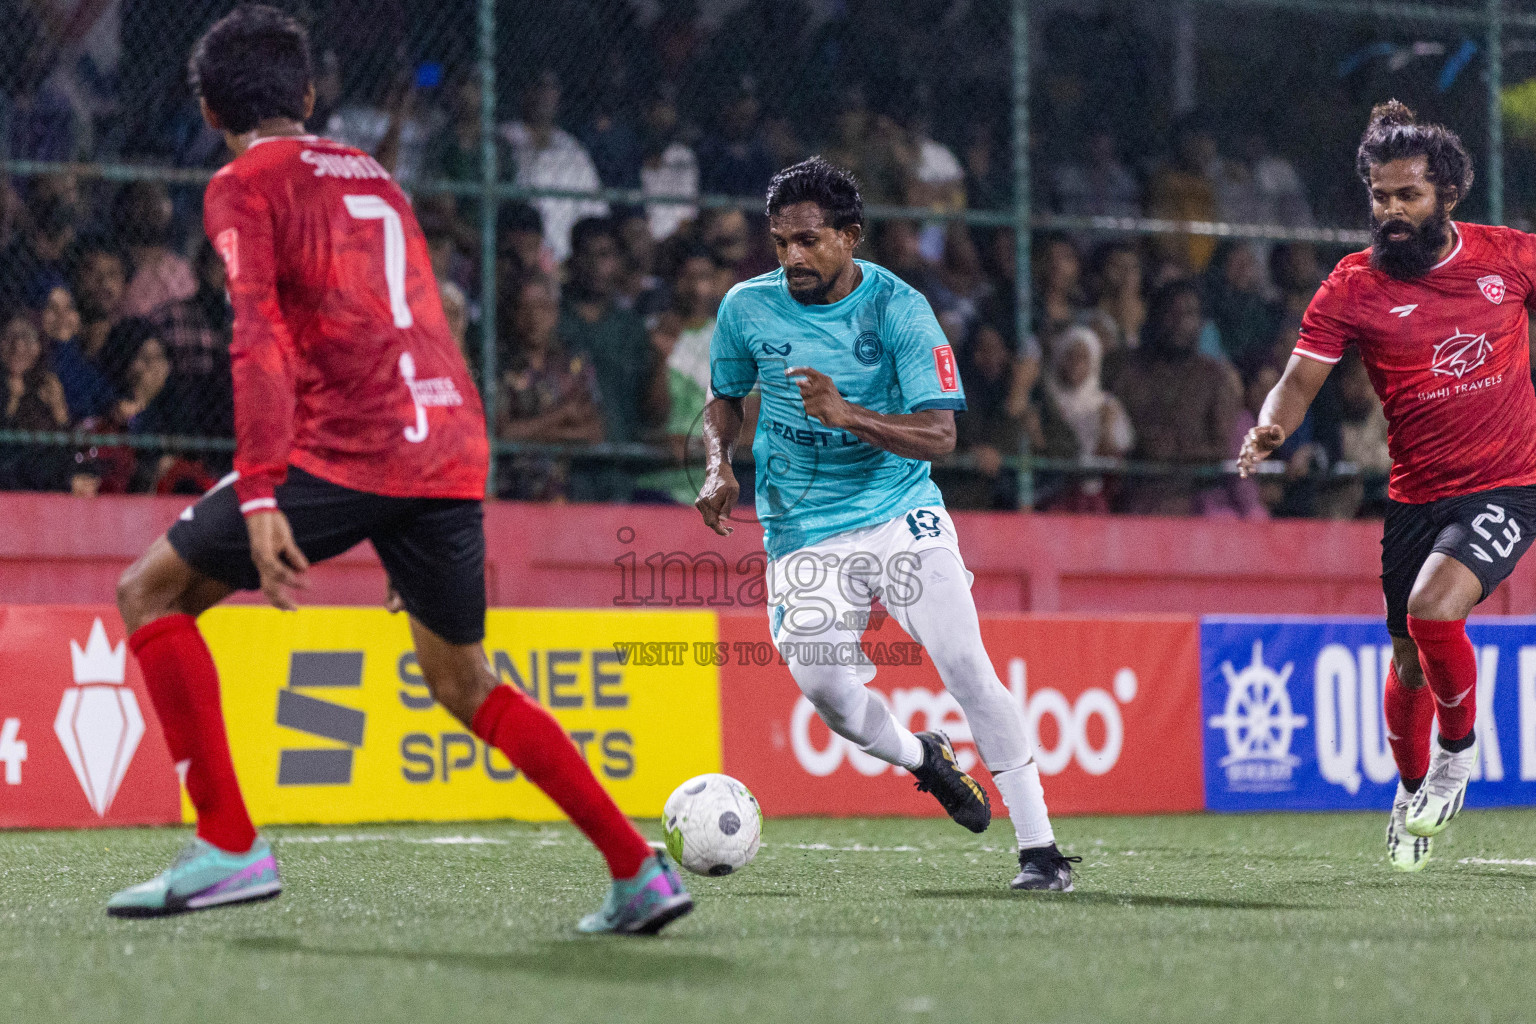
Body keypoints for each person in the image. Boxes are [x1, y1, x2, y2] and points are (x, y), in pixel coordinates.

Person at [107, 6, 691, 935]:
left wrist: (260, 486)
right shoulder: (376, 176)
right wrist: (407, 506)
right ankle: (637, 869)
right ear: (307, 94)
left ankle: (225, 845)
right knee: (465, 680)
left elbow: (255, 337)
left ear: (212, 109)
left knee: (151, 593)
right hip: (448, 441)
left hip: (351, 446)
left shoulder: (242, 183)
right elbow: (427, 317)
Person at [695, 157, 1077, 892]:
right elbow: (725, 392)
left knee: (965, 663)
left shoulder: (901, 310)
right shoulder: (746, 307)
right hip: (802, 529)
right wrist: (719, 463)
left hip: (901, 512)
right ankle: (923, 759)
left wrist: (849, 415)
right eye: (780, 243)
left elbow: (940, 437)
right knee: (829, 694)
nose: (792, 258)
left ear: (851, 238)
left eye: (808, 241)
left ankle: (1041, 849)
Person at [1239, 101, 1536, 873]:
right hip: (1414, 494)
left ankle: (1457, 760)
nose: (1391, 211)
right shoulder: (1353, 285)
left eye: (1407, 196)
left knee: (1433, 611)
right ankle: (1408, 793)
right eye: (1379, 195)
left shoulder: (1508, 259)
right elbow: (1299, 381)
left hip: (1509, 483)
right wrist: (1272, 425)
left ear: (1448, 194)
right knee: (1407, 659)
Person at [1112, 280, 1241, 515]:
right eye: (1172, 313)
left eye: (1189, 314)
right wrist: (1141, 446)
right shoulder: (1131, 371)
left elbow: (1222, 447)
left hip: (1192, 497)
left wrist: (1177, 451)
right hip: (1136, 493)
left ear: (1201, 322)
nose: (1180, 322)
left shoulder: (1213, 377)